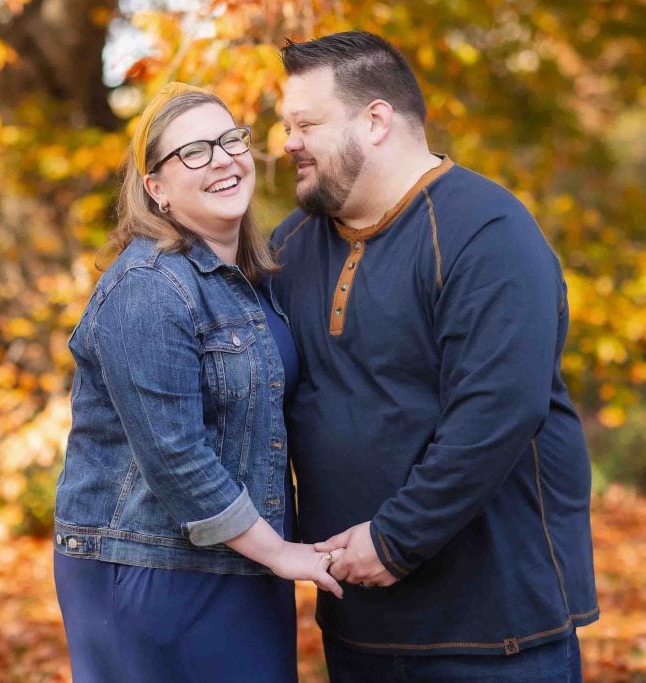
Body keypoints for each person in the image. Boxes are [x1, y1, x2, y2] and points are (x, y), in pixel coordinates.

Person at [270, 31, 599, 681]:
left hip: (493, 635)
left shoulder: (487, 231)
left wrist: (396, 539)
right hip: (358, 625)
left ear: (376, 120)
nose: (287, 143)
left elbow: (499, 410)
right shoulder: (294, 243)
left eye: (305, 123)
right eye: (285, 125)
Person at [53, 82, 342, 683]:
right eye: (193, 151)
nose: (222, 158)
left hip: (242, 558)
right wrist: (283, 552)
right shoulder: (149, 287)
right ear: (155, 188)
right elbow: (176, 456)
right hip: (151, 565)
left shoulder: (248, 279)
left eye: (229, 139)